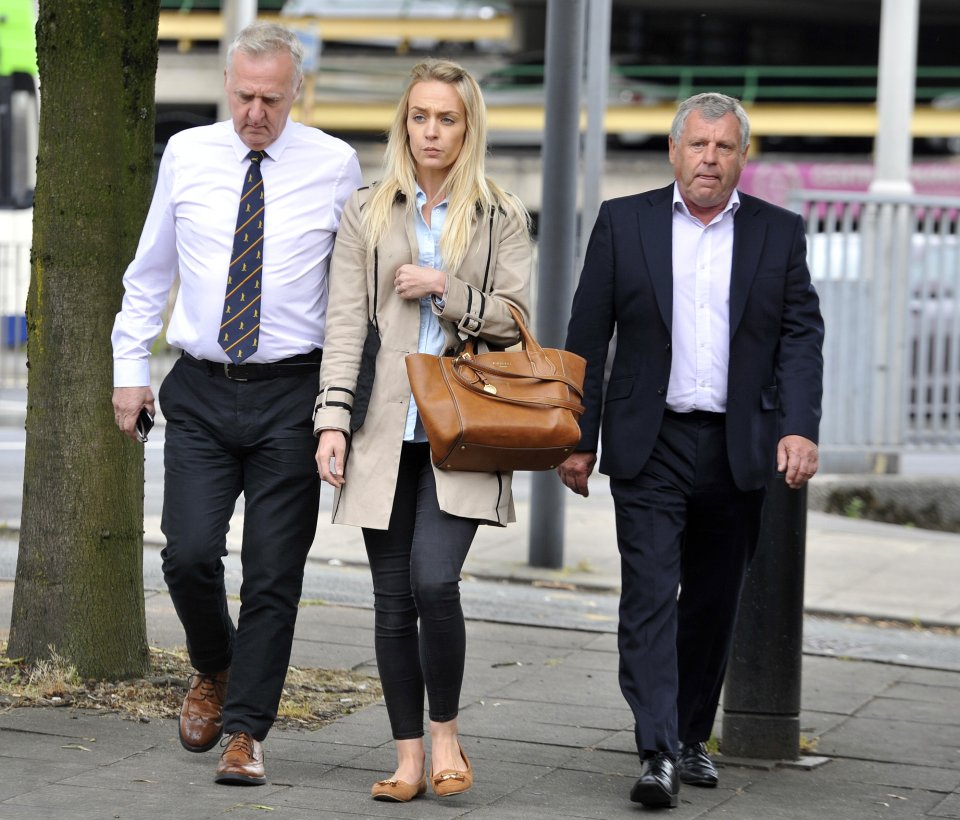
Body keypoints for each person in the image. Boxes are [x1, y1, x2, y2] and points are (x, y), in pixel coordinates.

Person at [111, 22, 362, 786]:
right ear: (229, 87)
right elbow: (151, 270)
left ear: (297, 92)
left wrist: (339, 410)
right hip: (202, 388)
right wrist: (130, 366)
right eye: (245, 96)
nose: (256, 112)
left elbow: (351, 292)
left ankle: (247, 732)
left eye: (272, 99)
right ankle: (214, 668)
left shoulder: (335, 164)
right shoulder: (188, 155)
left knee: (274, 573)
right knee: (187, 552)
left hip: (293, 392)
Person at [559, 92, 824, 809]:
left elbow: (801, 336)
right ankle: (656, 752)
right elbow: (587, 335)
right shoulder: (624, 223)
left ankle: (689, 737)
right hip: (652, 442)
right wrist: (578, 439)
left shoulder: (779, 233)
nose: (710, 157)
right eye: (698, 145)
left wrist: (799, 427)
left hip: (739, 447)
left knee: (713, 603)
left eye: (724, 146)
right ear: (674, 153)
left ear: (743, 158)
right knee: (649, 597)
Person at [313, 59, 532, 803]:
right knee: (388, 600)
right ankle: (408, 757)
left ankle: (446, 733)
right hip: (381, 429)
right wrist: (331, 421)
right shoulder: (368, 212)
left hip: (460, 431)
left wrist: (447, 290)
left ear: (468, 128)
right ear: (403, 123)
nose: (431, 131)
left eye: (447, 118)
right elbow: (344, 324)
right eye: (419, 116)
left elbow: (516, 321)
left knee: (434, 582)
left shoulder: (500, 212)